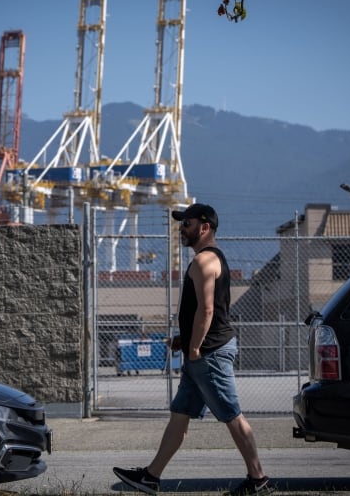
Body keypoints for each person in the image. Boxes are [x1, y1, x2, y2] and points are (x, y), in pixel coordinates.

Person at [113, 203, 273, 496]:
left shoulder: (204, 262)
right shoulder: (207, 259)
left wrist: (196, 346)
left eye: (186, 223)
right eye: (181, 223)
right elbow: (203, 312)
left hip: (208, 354)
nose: (181, 228)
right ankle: (151, 477)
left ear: (204, 227)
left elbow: (207, 309)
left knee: (232, 416)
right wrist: (184, 340)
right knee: (180, 415)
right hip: (199, 352)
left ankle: (258, 480)